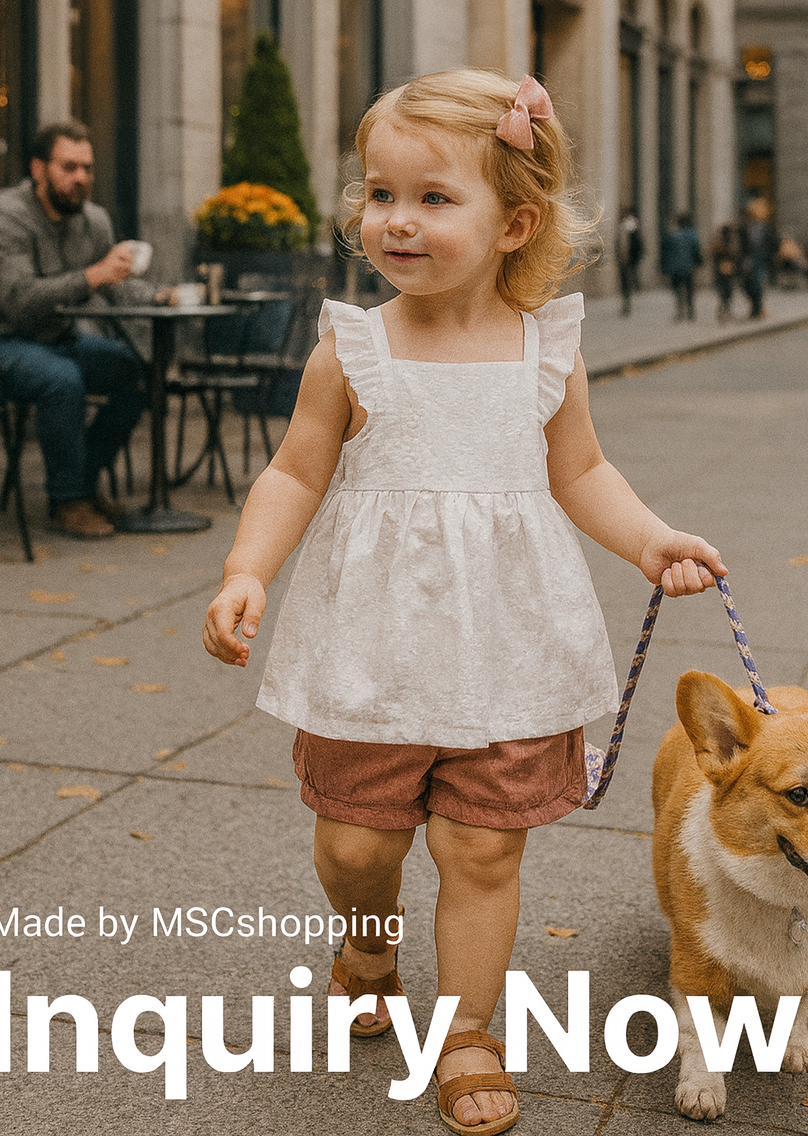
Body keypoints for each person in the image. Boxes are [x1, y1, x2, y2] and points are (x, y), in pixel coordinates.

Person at [203, 69, 725, 1135]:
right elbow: (296, 471)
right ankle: (367, 943)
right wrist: (247, 568)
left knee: (482, 851)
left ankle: (468, 1031)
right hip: (371, 649)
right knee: (356, 848)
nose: (396, 219)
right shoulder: (352, 349)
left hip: (511, 650)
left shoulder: (545, 352)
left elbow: (582, 472)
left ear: (512, 224)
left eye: (433, 198)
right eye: (380, 194)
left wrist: (650, 539)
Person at [0, 122, 147, 538]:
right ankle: (68, 501)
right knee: (61, 380)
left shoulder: (93, 220)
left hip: (56, 340)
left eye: (87, 168)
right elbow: (18, 301)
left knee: (133, 372)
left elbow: (116, 285)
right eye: (69, 167)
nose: (81, 178)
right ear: (38, 169)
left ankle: (82, 481)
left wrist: (166, 296)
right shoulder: (7, 217)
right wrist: (93, 275)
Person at [660, 211, 703, 321]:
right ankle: (691, 311)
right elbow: (696, 251)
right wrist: (698, 265)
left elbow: (666, 253)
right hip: (688, 266)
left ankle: (680, 311)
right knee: (689, 290)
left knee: (677, 290)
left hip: (675, 267)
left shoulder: (672, 235)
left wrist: (664, 268)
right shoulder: (692, 235)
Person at [615, 207, 644, 314]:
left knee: (627, 282)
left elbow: (637, 245)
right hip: (623, 260)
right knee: (625, 283)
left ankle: (627, 302)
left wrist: (635, 258)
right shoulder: (621, 227)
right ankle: (626, 302)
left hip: (630, 260)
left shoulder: (633, 228)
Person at [710, 223, 739, 322]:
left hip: (723, 271)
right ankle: (724, 311)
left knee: (725, 293)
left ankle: (724, 311)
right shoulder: (723, 243)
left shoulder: (721, 243)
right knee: (726, 292)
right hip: (726, 271)